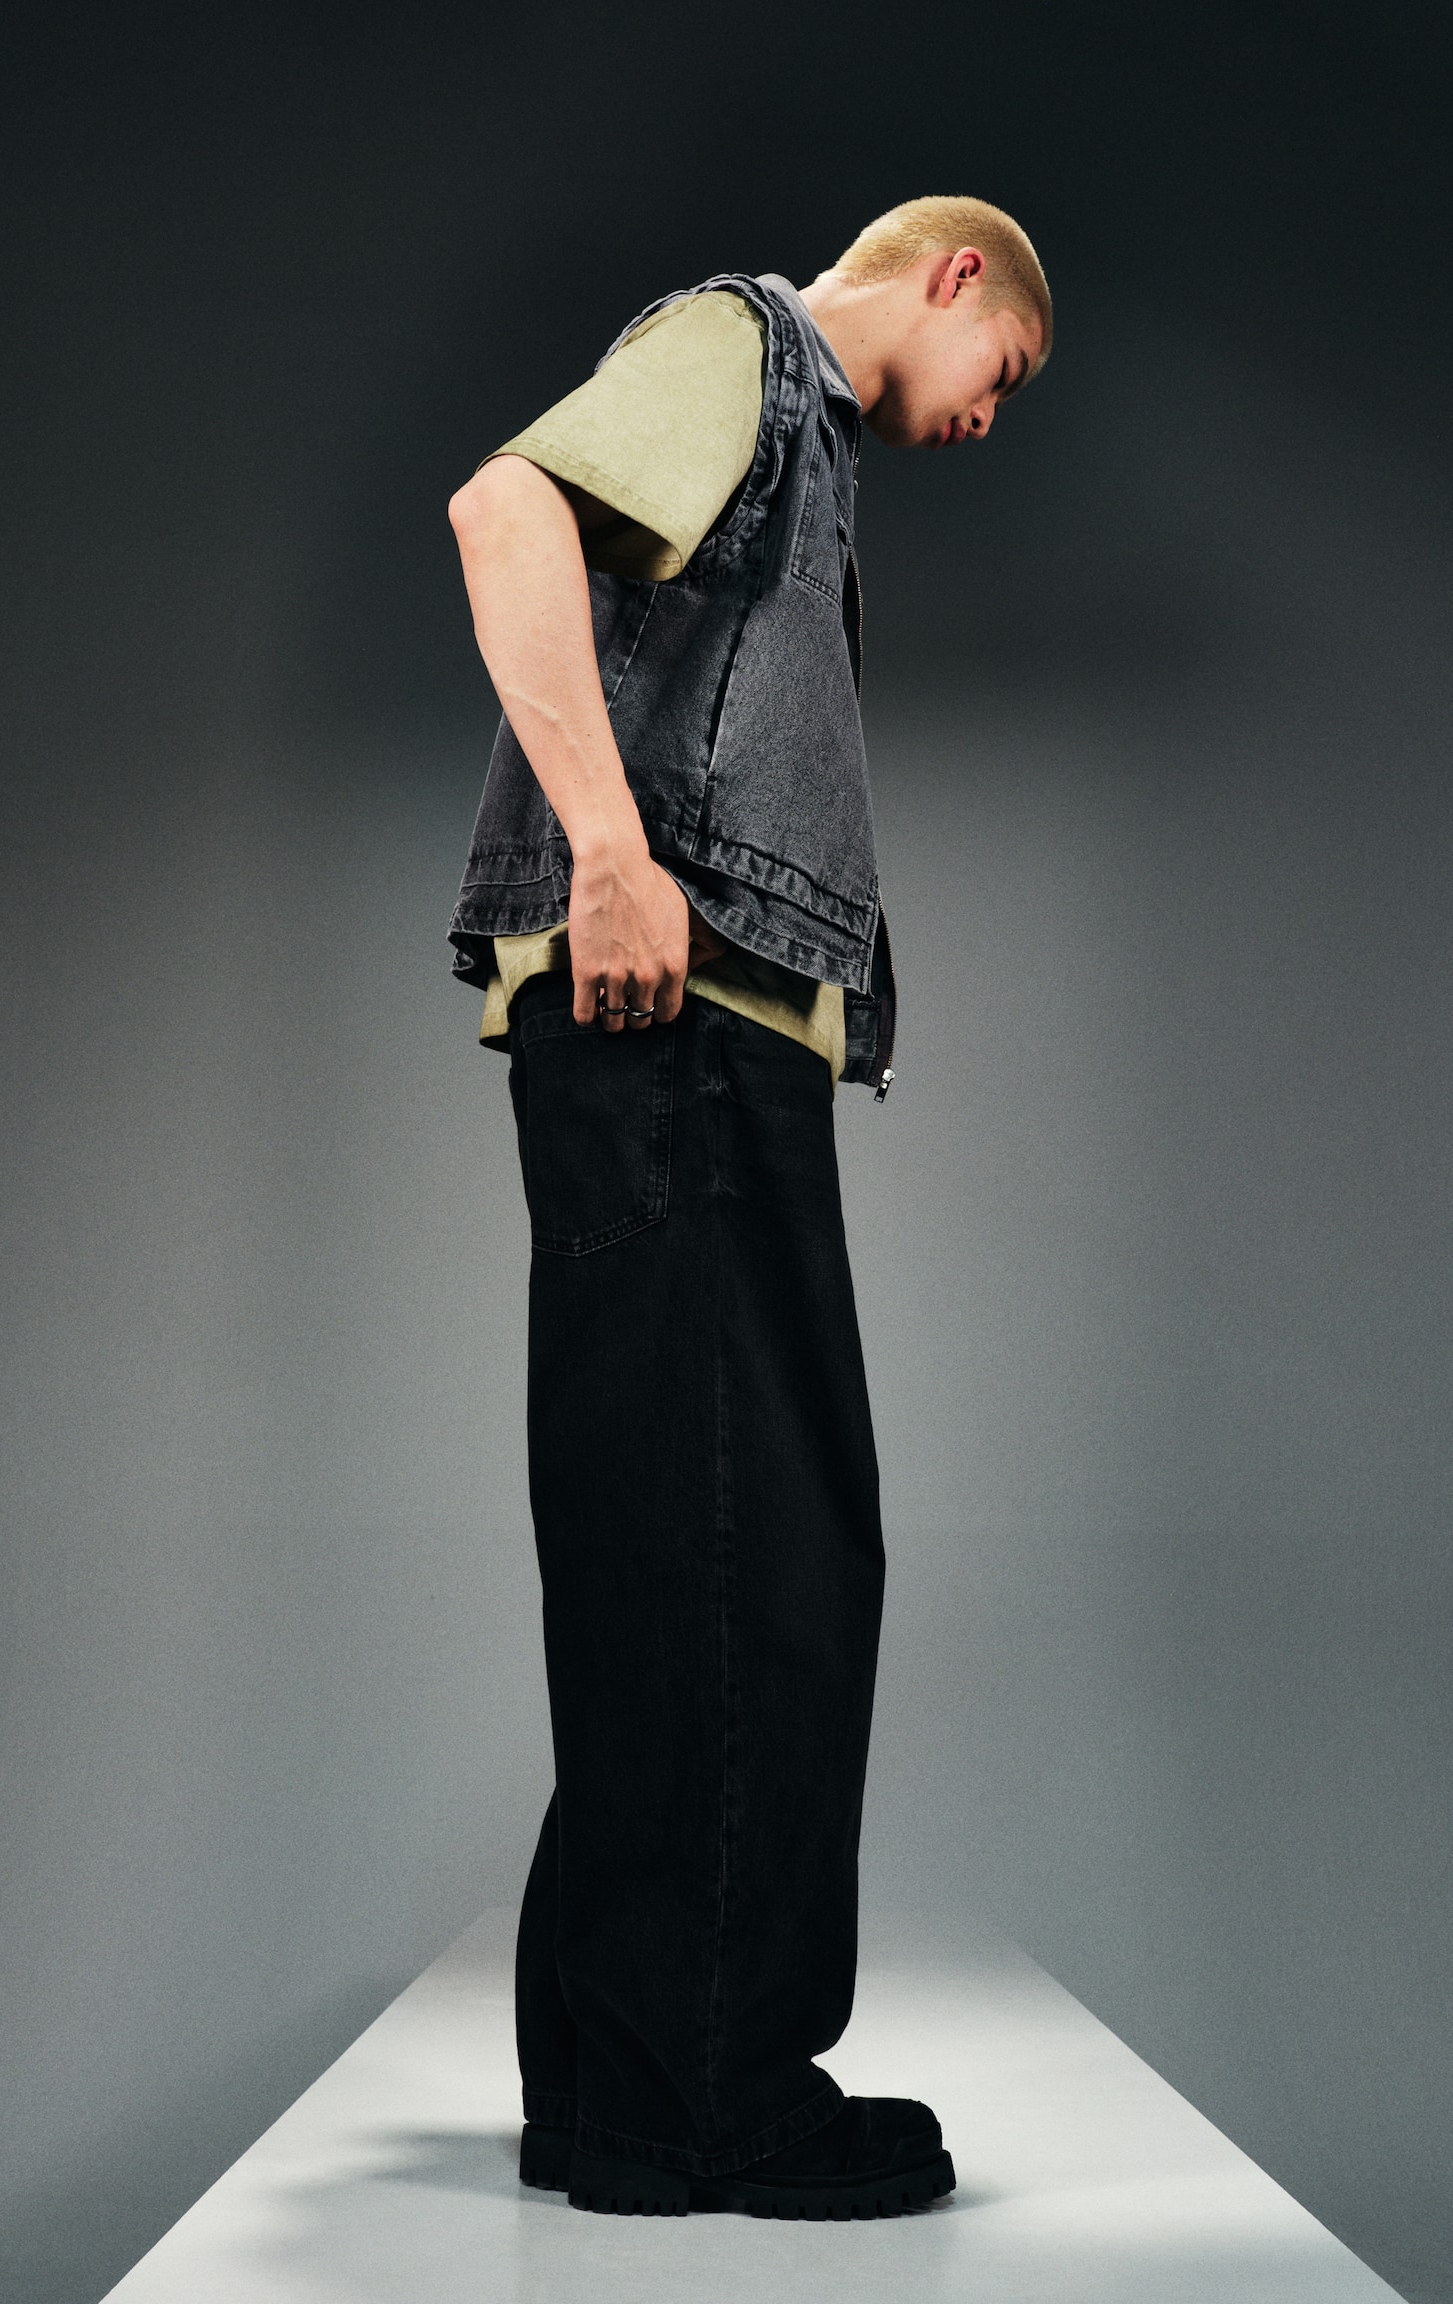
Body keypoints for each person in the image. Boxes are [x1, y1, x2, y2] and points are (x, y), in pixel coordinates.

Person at [446, 195, 1051, 2220]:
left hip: (678, 1037)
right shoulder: (749, 351)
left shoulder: (801, 442)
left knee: (668, 1542)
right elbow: (505, 511)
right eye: (1006, 370)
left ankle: (612, 2085)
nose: (993, 414)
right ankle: (713, 2105)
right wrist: (613, 855)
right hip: (675, 1018)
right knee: (758, 1549)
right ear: (954, 276)